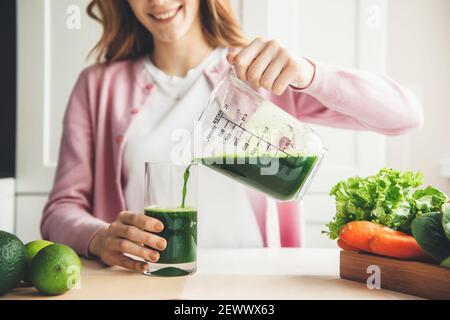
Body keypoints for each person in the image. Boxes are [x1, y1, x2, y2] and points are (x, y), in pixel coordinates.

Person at [41, 0, 423, 272]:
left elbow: (405, 115)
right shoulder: (98, 86)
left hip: (257, 284)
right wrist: (100, 237)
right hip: (148, 282)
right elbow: (60, 210)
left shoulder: (257, 73)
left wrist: (310, 73)